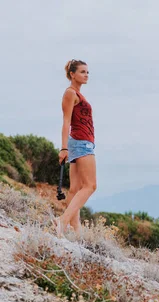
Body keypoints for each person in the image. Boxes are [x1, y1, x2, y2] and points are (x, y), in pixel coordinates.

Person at [55, 59, 96, 237]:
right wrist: (63, 148)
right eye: (82, 72)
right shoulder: (70, 93)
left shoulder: (78, 94)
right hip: (81, 142)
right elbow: (66, 122)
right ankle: (62, 221)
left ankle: (76, 230)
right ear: (72, 74)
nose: (86, 75)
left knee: (76, 188)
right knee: (90, 186)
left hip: (80, 142)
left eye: (87, 72)